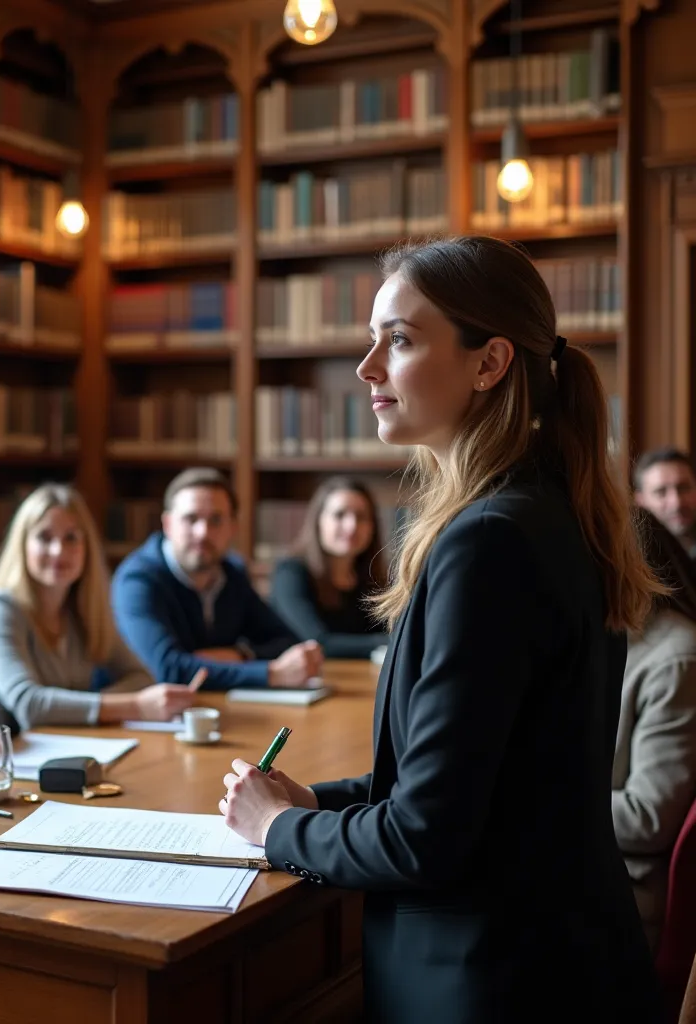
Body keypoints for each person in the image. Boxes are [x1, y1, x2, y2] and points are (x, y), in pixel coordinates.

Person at [218, 236, 664, 1023]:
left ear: (489, 363)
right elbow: (489, 782)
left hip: (492, 980)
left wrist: (278, 827)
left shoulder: (488, 542)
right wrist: (315, 799)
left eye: (398, 339)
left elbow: (425, 836)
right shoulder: (550, 513)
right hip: (564, 956)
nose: (367, 368)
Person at [0, 483, 193, 727]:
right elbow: (28, 705)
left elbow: (140, 677)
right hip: (4, 748)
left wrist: (84, 707)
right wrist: (133, 706)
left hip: (64, 741)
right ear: (22, 545)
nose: (58, 551)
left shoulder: (82, 608)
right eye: (44, 537)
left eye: (71, 538)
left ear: (87, 548)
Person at [112, 467, 323, 690]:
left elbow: (286, 642)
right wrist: (271, 674)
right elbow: (167, 669)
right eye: (191, 518)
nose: (203, 532)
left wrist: (240, 654)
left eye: (216, 520)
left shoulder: (232, 574)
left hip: (211, 704)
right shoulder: (138, 581)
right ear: (168, 524)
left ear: (233, 527)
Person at [614, 508, 696, 952]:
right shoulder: (614, 636)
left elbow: (648, 817)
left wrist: (540, 804)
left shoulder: (676, 657)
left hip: (626, 892)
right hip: (585, 868)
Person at [269, 476, 389, 658]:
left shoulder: (371, 577)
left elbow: (390, 630)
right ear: (318, 522)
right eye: (339, 515)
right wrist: (386, 642)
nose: (351, 526)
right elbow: (317, 642)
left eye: (361, 517)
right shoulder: (290, 573)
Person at [634, 447, 696, 561]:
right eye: (661, 492)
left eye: (683, 488)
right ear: (640, 500)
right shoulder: (634, 560)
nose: (676, 502)